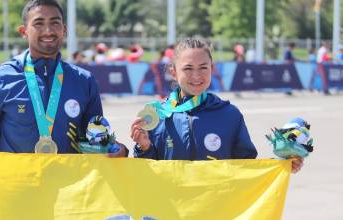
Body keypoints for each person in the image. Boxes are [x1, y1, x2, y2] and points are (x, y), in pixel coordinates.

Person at [0, 0, 128, 172]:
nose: (48, 31)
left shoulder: (84, 80)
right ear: (24, 31)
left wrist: (117, 148)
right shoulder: (1, 79)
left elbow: (95, 137)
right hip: (18, 190)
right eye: (38, 23)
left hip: (70, 193)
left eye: (55, 23)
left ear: (64, 29)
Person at [130, 37, 303, 173]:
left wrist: (279, 167)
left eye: (203, 68)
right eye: (188, 68)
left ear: (212, 69)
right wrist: (144, 147)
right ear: (173, 72)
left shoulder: (229, 114)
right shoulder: (157, 115)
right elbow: (147, 174)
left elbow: (246, 167)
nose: (196, 76)